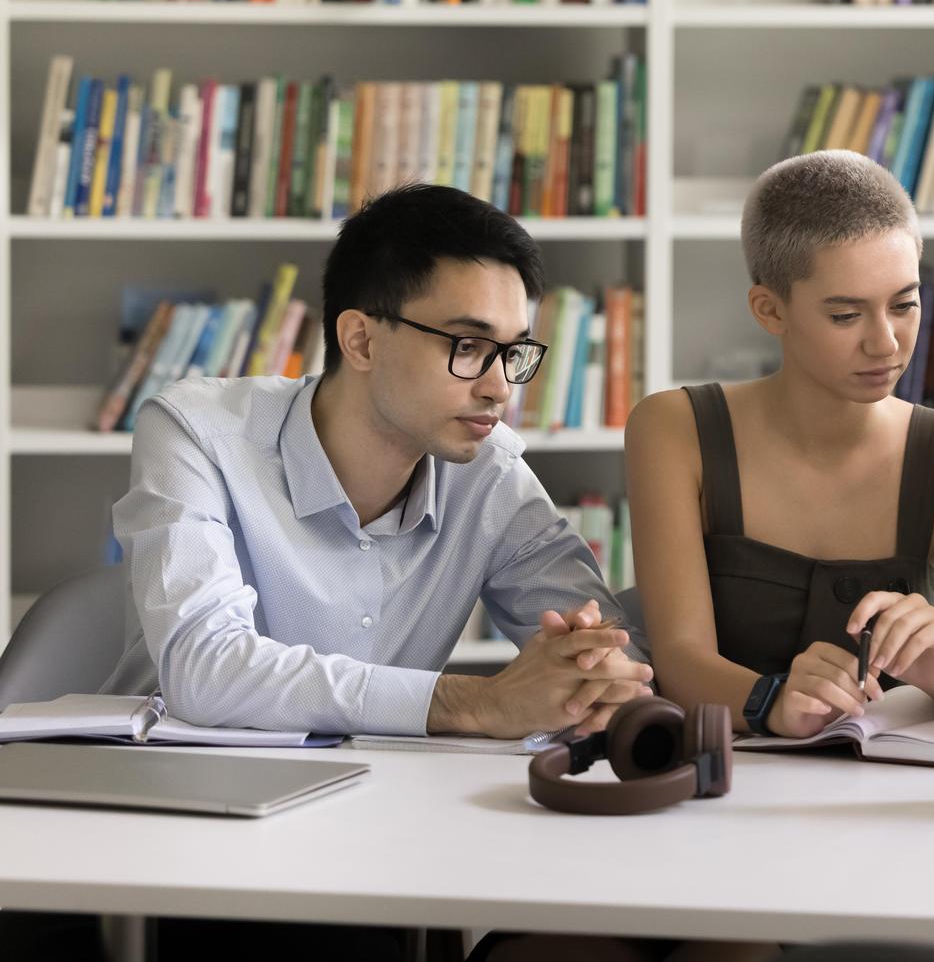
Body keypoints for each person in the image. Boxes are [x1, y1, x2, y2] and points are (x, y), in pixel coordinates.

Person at [102, 183, 650, 739]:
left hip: (381, 786)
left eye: (513, 353)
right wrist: (475, 703)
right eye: (467, 346)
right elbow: (204, 669)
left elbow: (614, 659)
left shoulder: (491, 475)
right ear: (361, 340)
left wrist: (596, 673)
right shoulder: (198, 432)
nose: (500, 388)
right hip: (170, 778)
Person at [624, 151, 934, 738]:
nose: (886, 343)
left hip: (897, 784)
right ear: (770, 310)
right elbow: (680, 660)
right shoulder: (673, 428)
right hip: (728, 774)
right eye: (845, 315)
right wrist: (772, 701)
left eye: (905, 304)